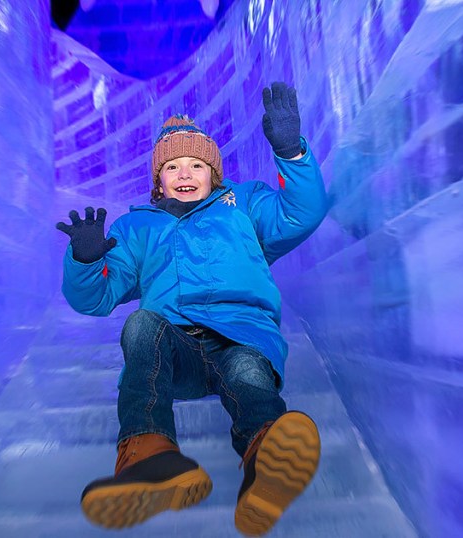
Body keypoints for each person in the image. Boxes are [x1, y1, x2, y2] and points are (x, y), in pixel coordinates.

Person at [55, 82, 328, 536]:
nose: (186, 172)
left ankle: (266, 463)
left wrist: (292, 154)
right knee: (141, 325)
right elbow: (96, 297)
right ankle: (151, 457)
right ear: (157, 179)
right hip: (174, 348)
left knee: (247, 373)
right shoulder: (137, 226)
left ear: (214, 174)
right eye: (174, 166)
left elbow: (302, 214)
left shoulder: (244, 206)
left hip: (241, 333)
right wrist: (85, 261)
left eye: (198, 164)